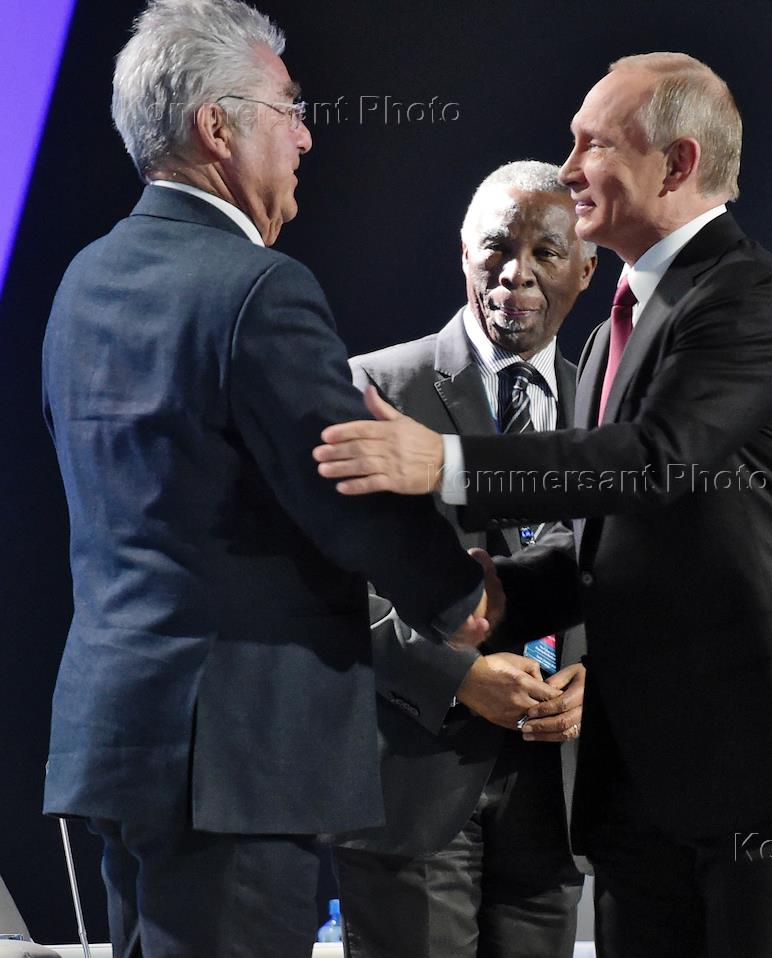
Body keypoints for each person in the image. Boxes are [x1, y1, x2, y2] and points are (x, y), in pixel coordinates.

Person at [315, 53, 772, 958]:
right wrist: (506, 593)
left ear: (677, 163)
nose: (571, 167)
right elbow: (611, 536)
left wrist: (445, 462)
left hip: (769, 769)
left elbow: (653, 462)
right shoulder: (615, 329)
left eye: (595, 144)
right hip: (644, 788)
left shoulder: (750, 297)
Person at [40, 1, 493, 955]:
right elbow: (344, 487)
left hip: (116, 740)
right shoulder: (257, 288)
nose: (306, 136)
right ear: (218, 127)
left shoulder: (80, 283)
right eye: (288, 109)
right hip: (233, 763)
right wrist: (461, 598)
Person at [332, 160, 597, 958]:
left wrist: (597, 678)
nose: (517, 273)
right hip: (414, 777)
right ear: (462, 253)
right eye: (497, 248)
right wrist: (458, 675)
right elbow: (325, 583)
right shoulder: (375, 386)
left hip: (555, 794)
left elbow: (632, 572)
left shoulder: (608, 411)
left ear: (587, 269)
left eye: (546, 252)